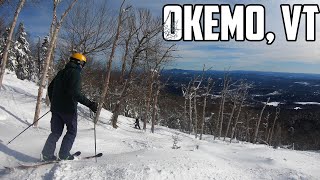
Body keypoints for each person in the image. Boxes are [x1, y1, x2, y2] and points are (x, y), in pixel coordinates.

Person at [42, 53, 98, 161]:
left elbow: (50, 88)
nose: (82, 66)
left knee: (56, 132)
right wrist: (90, 104)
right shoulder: (75, 73)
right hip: (68, 110)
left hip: (56, 109)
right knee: (71, 131)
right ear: (79, 62)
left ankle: (47, 154)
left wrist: (55, 101)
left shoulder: (61, 72)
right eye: (83, 64)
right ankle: (64, 155)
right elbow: (75, 93)